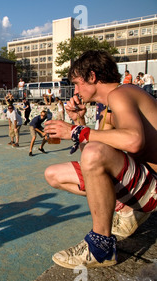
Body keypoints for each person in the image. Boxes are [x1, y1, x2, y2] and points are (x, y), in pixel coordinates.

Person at [43, 50, 157, 269]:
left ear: (92, 77)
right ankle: (125, 209)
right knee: (53, 175)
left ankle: (101, 247)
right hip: (141, 180)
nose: (75, 90)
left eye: (77, 83)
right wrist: (81, 121)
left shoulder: (121, 93)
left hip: (152, 186)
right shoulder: (109, 107)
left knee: (95, 152)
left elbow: (134, 141)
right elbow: (92, 158)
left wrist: (76, 131)